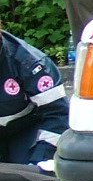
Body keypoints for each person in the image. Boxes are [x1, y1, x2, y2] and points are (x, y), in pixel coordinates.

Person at [0, 18, 68, 171]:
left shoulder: (29, 62)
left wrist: (41, 160)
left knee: (29, 176)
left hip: (25, 129)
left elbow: (58, 114)